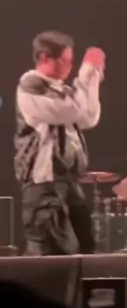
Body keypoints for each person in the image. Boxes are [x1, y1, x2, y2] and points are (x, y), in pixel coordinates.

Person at [14, 30, 105, 255]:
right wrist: (85, 72)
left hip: (69, 181)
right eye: (65, 61)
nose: (70, 67)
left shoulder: (62, 89)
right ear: (45, 58)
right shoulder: (31, 84)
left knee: (86, 247)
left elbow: (88, 117)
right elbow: (72, 109)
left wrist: (93, 76)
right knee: (54, 252)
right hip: (44, 184)